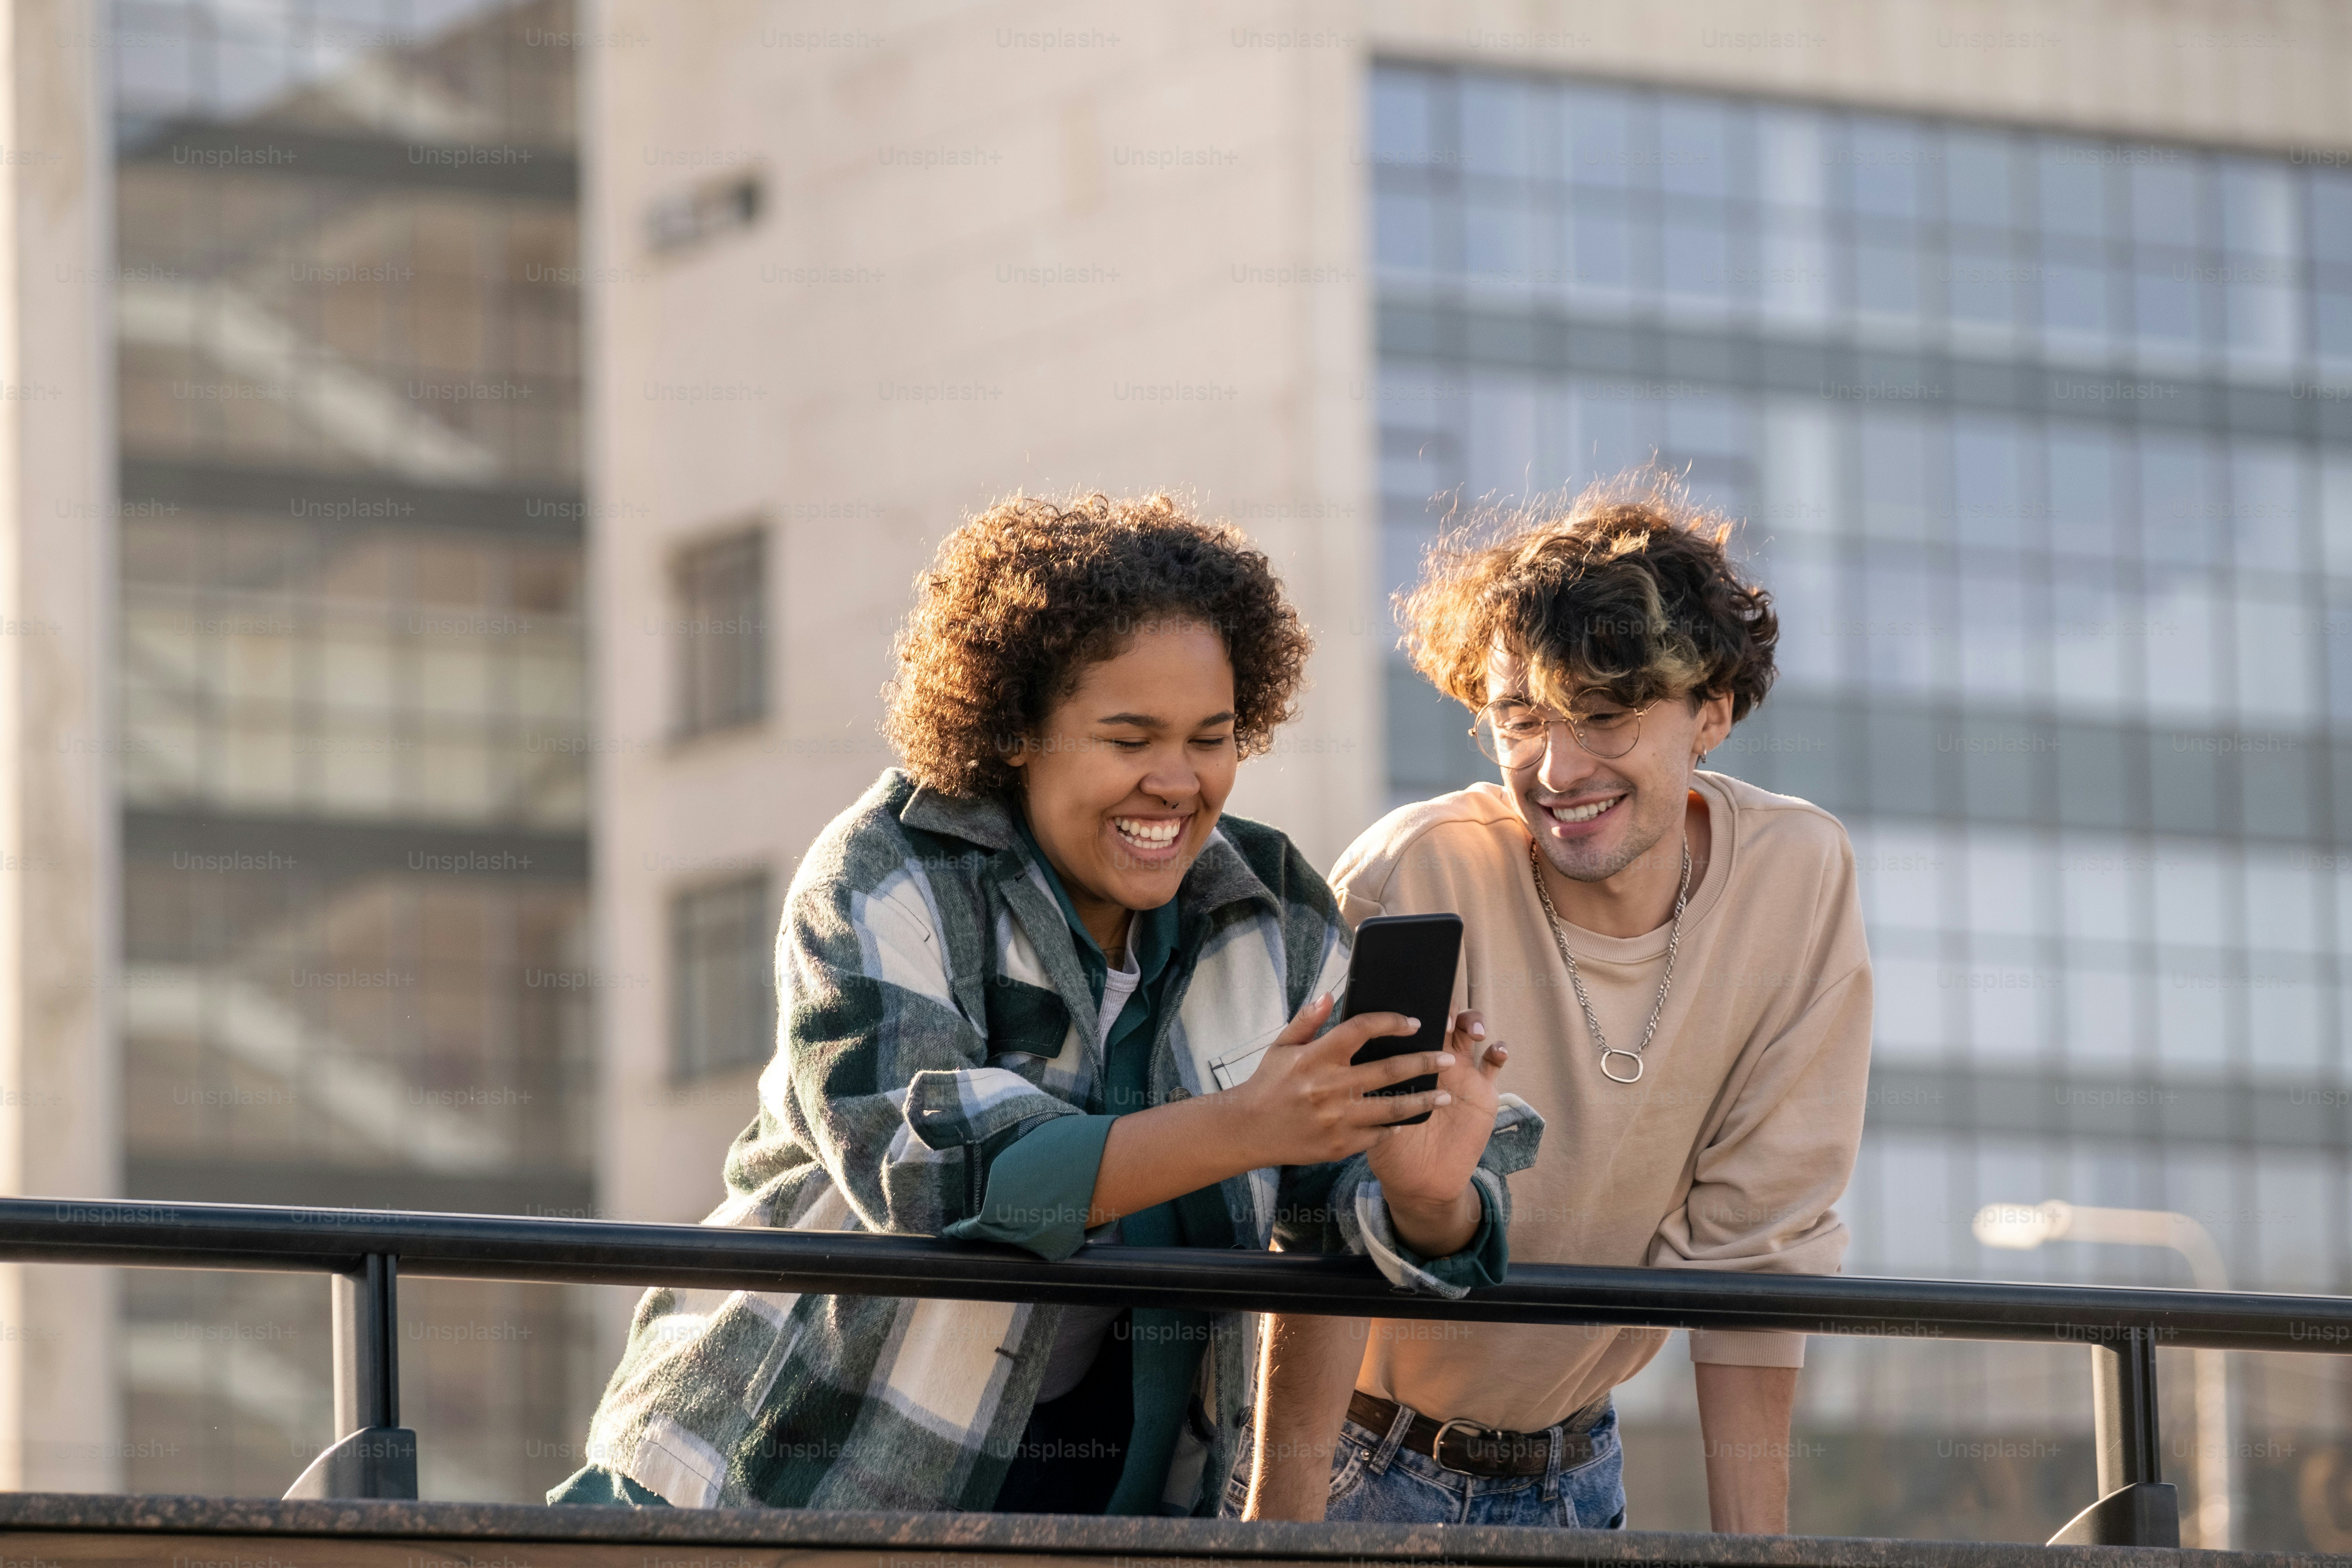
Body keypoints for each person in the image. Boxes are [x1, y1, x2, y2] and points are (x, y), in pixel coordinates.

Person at [550, 492, 1540, 1514]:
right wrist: (1243, 1127)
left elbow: (1348, 1211)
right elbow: (934, 1177)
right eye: (1129, 738)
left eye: (1212, 737)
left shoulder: (1273, 910)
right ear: (1017, 728)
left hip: (1105, 1500)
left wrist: (1426, 1195)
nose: (1178, 781)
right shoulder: (887, 874)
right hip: (774, 1483)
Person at [1233, 471, 1873, 1532]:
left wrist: (1757, 1560)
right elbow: (1316, 1220)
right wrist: (1279, 1538)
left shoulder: (1798, 876)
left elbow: (1762, 1245)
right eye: (1520, 718)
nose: (1556, 769)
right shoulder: (1420, 874)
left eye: (1607, 718)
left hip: (1581, 1465)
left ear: (1710, 711)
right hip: (1358, 1457)